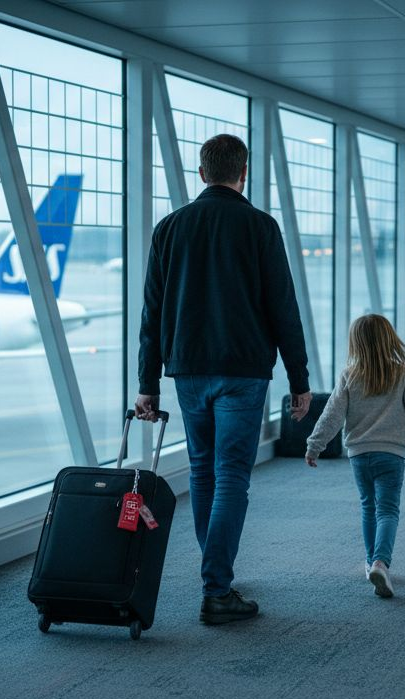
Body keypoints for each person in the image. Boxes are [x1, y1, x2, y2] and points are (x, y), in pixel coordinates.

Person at [136, 133, 312, 626]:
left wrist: (147, 383)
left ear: (201, 173)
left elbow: (152, 314)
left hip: (188, 370)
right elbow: (283, 308)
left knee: (203, 472)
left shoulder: (169, 228)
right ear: (244, 173)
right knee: (232, 474)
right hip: (243, 371)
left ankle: (218, 571)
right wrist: (300, 380)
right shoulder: (260, 226)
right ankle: (217, 586)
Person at [303, 315, 405, 599]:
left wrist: (315, 445)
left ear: (356, 344)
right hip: (391, 453)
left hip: (360, 455)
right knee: (388, 509)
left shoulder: (350, 375)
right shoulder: (403, 373)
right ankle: (380, 563)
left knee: (368, 506)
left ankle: (369, 560)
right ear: (390, 339)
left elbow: (332, 415)